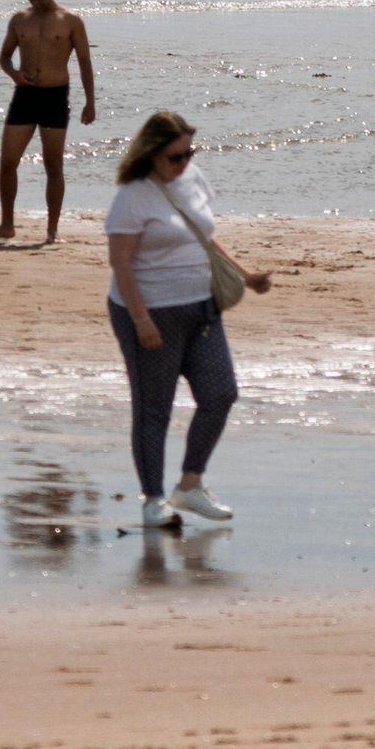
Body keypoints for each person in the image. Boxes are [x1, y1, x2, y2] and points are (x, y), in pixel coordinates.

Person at [105, 111, 271, 530]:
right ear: (151, 153)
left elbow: (204, 233)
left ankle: (190, 484)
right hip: (149, 311)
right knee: (154, 408)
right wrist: (141, 320)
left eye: (188, 153)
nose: (184, 162)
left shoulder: (192, 178)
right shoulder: (133, 195)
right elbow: (121, 264)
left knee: (221, 393)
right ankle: (153, 499)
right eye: (175, 156)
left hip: (202, 306)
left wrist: (245, 274)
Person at [0, 0, 97, 244]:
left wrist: (90, 102)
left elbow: (85, 62)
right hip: (25, 96)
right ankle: (7, 224)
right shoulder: (19, 19)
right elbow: (3, 57)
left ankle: (52, 230)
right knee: (7, 163)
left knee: (53, 165)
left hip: (55, 95)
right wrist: (14, 74)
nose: (36, 2)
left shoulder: (70, 20)